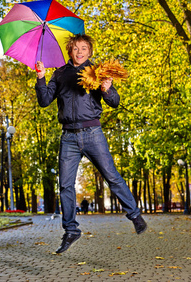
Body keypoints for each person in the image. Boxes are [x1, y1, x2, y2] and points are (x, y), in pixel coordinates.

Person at [35, 34, 147, 254]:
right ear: (70, 50)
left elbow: (114, 103)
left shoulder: (97, 71)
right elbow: (44, 101)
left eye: (84, 48)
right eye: (76, 48)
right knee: (65, 185)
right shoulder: (59, 73)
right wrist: (40, 78)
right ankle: (71, 231)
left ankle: (134, 215)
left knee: (112, 177)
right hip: (68, 137)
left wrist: (107, 88)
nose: (79, 52)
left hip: (93, 133)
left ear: (89, 51)